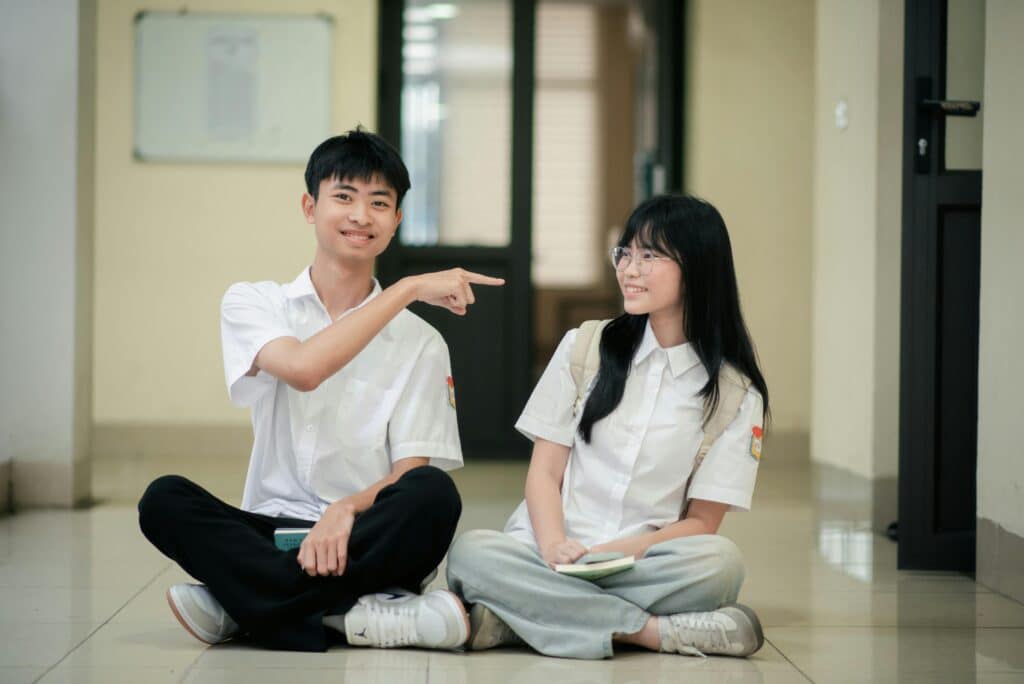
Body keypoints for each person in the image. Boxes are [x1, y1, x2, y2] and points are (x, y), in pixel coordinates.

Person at [138, 128, 504, 653]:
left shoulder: (423, 343)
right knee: (163, 501)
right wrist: (407, 289)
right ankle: (351, 616)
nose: (361, 216)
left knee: (432, 494)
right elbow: (304, 369)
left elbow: (408, 473)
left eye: (379, 203)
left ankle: (245, 604)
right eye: (344, 197)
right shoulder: (256, 303)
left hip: (363, 534)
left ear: (396, 220)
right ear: (310, 207)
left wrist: (348, 509)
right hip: (271, 530)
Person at [446, 194, 770, 660]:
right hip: (549, 553)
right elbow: (543, 474)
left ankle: (520, 617)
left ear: (698, 267)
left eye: (649, 256)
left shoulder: (735, 393)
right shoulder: (585, 347)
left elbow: (702, 523)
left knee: (721, 566)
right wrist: (556, 544)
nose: (629, 269)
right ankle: (650, 632)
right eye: (626, 253)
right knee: (471, 555)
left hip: (642, 560)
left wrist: (621, 552)